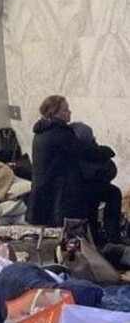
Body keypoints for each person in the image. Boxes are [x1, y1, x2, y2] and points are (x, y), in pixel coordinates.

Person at [27, 95, 115, 227]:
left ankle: (94, 233)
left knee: (95, 191)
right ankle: (108, 235)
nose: (70, 112)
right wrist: (107, 151)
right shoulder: (59, 133)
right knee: (112, 193)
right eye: (65, 110)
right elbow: (85, 151)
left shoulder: (41, 132)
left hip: (44, 195)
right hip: (60, 196)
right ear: (54, 113)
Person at [71, 122, 121, 247]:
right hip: (87, 188)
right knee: (110, 195)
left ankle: (98, 237)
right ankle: (111, 235)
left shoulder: (76, 148)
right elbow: (107, 169)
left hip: (86, 187)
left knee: (93, 203)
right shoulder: (88, 150)